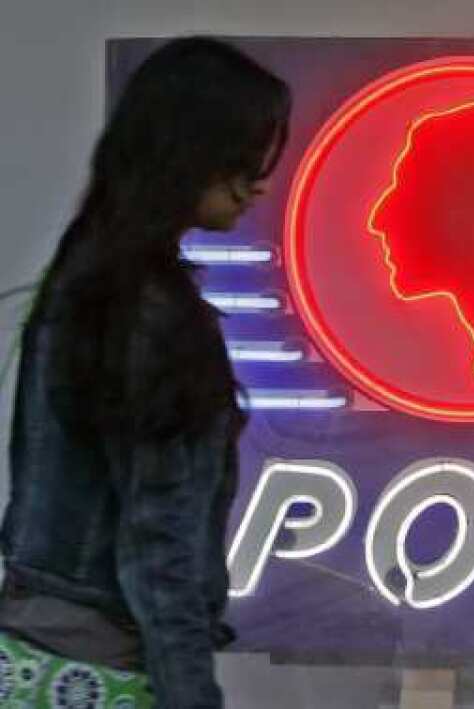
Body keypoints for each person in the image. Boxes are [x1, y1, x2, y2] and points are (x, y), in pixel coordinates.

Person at [0, 37, 290, 708]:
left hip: (28, 658)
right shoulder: (152, 316)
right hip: (101, 671)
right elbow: (159, 547)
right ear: (190, 153)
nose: (258, 181)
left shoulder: (82, 279)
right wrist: (191, 695)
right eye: (245, 158)